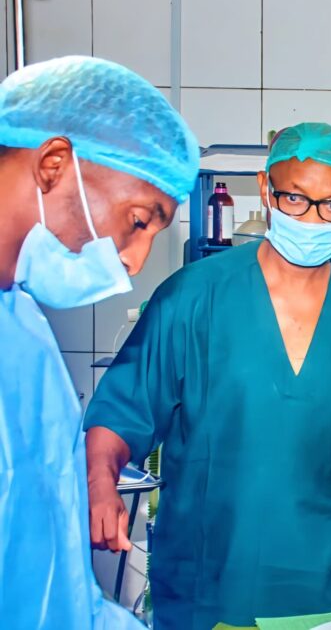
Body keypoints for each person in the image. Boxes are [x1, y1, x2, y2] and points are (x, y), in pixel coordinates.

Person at [83, 123, 331, 630]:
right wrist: (100, 483)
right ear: (265, 189)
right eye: (295, 199)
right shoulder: (193, 296)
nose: (312, 218)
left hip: (323, 571)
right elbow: (123, 407)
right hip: (208, 576)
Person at [0, 56, 199, 628]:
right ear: (54, 165)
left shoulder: (25, 333)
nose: (135, 262)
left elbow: (50, 582)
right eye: (139, 221)